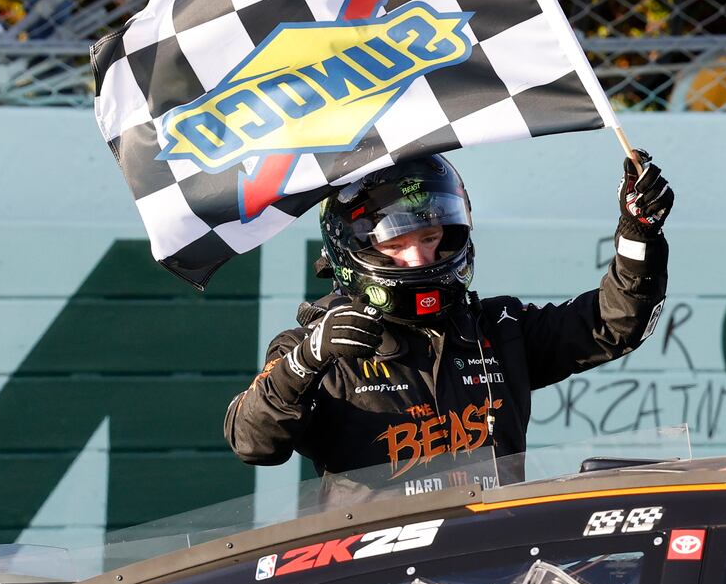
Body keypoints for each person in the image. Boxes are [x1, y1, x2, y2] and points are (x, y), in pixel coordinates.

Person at [225, 151, 673, 496]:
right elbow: (252, 443)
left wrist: (639, 235)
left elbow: (614, 323)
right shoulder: (317, 346)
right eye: (396, 243)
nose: (419, 257)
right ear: (352, 251)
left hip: (494, 563)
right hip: (374, 575)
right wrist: (305, 361)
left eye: (431, 237)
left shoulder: (499, 327)